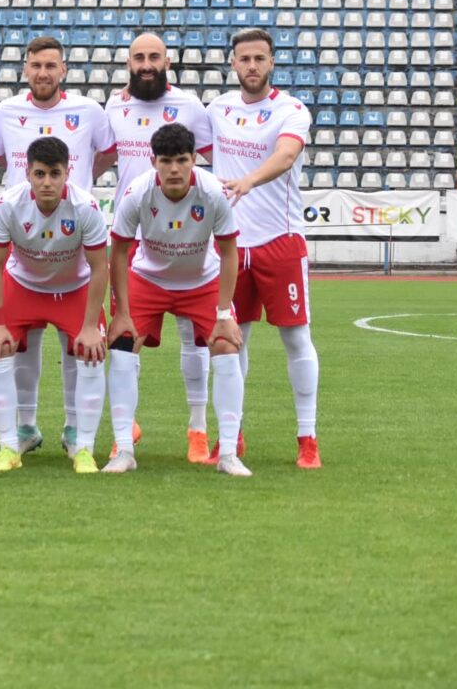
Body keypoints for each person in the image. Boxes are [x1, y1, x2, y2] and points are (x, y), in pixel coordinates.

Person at [0, 36, 117, 457]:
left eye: (50, 65)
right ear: (25, 69)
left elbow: (108, 154)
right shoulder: (6, 112)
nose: (43, 72)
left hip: (73, 250)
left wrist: (76, 187)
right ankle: (24, 429)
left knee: (83, 349)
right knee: (15, 347)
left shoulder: (89, 112)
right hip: (24, 252)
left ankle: (77, 433)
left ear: (63, 70)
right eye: (36, 65)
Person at [207, 27, 322, 471]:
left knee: (296, 337)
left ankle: (307, 438)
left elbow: (287, 155)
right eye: (244, 58)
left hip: (280, 241)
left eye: (259, 58)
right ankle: (230, 436)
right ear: (232, 63)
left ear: (272, 62)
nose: (252, 66)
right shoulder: (218, 109)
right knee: (231, 340)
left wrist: (248, 181)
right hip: (231, 246)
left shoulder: (291, 109)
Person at [105, 124, 249, 476]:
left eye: (181, 160)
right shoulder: (137, 193)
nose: (173, 169)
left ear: (194, 160)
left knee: (227, 346)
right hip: (149, 279)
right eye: (166, 161)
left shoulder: (213, 192)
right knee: (122, 344)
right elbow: (119, 252)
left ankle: (228, 453)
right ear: (153, 161)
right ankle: (123, 449)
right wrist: (121, 312)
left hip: (202, 281)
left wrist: (223, 314)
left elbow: (229, 253)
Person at [104, 31, 215, 463]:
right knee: (124, 336)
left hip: (185, 236)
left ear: (168, 62)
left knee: (195, 338)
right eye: (139, 58)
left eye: (154, 57)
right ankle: (125, 428)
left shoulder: (191, 106)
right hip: (132, 236)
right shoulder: (113, 106)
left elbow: (213, 158)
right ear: (128, 64)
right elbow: (97, 157)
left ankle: (198, 429)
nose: (146, 64)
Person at [0, 136, 110, 474]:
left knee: (90, 352)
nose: (47, 182)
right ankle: (11, 444)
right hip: (23, 285)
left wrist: (90, 327)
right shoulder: (7, 205)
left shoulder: (85, 207)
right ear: (28, 174)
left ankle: (82, 445)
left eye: (55, 174)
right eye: (40, 174)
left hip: (74, 288)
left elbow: (100, 268)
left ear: (68, 173)